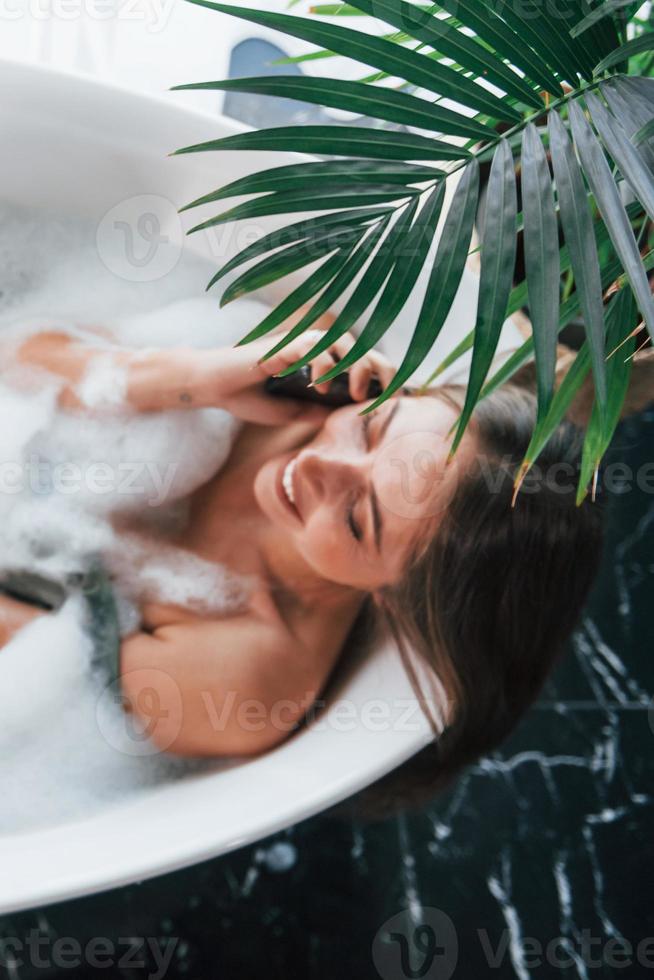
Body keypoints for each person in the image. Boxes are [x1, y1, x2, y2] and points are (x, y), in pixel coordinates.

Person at [0, 306, 604, 808]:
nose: (317, 465)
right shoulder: (314, 368)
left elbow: (25, 654)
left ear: (394, 598)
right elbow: (17, 357)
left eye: (358, 518)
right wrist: (192, 375)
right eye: (373, 429)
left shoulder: (243, 680)